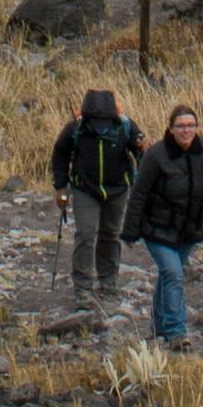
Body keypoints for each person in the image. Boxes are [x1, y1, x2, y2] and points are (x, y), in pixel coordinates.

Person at [119, 102, 203, 345]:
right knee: (174, 274)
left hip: (188, 228)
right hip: (157, 227)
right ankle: (177, 332)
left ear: (197, 127)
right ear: (171, 128)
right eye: (181, 126)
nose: (186, 130)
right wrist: (130, 231)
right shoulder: (156, 154)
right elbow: (139, 193)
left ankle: (158, 327)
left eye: (191, 125)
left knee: (169, 276)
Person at [42, 89, 141, 313]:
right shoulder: (75, 129)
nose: (100, 125)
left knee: (111, 234)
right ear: (88, 117)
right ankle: (83, 288)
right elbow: (60, 154)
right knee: (86, 235)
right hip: (85, 189)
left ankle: (108, 281)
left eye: (104, 121)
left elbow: (142, 154)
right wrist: (60, 186)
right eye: (96, 120)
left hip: (118, 189)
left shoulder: (126, 127)